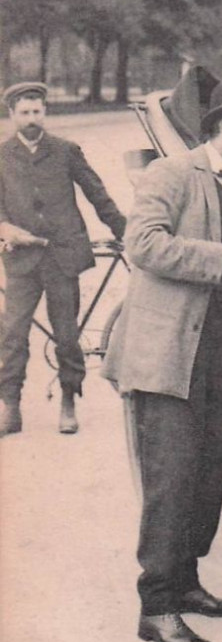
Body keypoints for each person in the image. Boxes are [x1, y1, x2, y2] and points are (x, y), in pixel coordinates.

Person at [102, 75, 222, 642]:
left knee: (209, 479)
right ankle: (156, 607)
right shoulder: (171, 174)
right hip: (166, 359)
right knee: (172, 483)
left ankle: (187, 583)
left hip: (216, 360)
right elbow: (143, 246)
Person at [0, 81, 126, 437]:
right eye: (24, 113)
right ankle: (10, 406)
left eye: (37, 111)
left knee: (67, 335)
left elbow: (97, 194)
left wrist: (126, 232)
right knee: (12, 335)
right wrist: (4, 228)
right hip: (22, 260)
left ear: (46, 112)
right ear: (12, 115)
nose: (31, 119)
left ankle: (69, 400)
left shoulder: (66, 150)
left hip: (61, 257)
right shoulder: (2, 154)